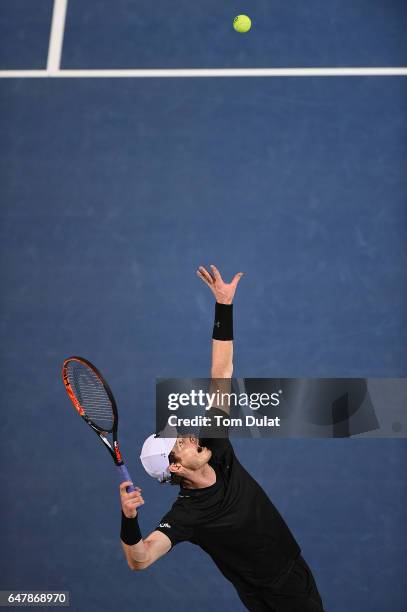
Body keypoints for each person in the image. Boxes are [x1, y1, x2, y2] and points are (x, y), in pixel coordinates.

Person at [119, 265, 325, 612]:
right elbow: (140, 559)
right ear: (177, 469)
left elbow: (221, 373)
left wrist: (223, 306)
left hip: (293, 571)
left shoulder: (216, 446)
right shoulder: (187, 514)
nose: (185, 436)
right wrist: (128, 519)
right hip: (270, 595)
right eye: (176, 445)